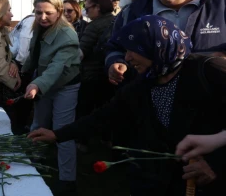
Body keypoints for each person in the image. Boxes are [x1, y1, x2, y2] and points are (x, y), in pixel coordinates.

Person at [28, 15, 226, 196]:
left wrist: (216, 163)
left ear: (155, 46)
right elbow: (106, 115)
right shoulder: (144, 81)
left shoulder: (209, 71)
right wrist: (58, 134)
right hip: (159, 180)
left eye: (134, 50)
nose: (128, 57)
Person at [105, 0, 226, 87]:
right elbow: (115, 46)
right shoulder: (134, 10)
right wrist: (115, 62)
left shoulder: (221, 6)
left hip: (210, 96)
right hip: (149, 98)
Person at [22, 0, 81, 194]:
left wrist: (37, 85)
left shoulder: (67, 35)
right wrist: (23, 73)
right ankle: (35, 163)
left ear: (58, 11)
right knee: (38, 123)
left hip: (65, 86)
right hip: (43, 83)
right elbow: (35, 55)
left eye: (47, 12)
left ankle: (67, 179)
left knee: (62, 131)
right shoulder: (38, 28)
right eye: (38, 12)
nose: (42, 17)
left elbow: (57, 67)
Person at [77, 0, 115, 118]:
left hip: (92, 76)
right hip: (111, 73)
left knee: (85, 112)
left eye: (87, 9)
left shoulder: (93, 26)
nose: (86, 12)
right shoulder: (117, 20)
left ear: (97, 7)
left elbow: (80, 53)